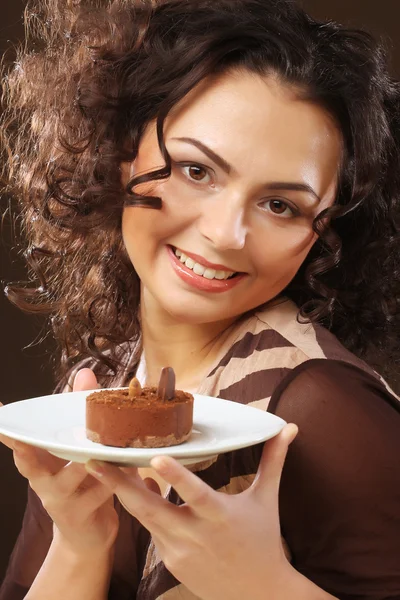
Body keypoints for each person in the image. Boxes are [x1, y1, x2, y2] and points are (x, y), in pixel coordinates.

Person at [0, 0, 399, 598]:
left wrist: (261, 584)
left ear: (326, 233)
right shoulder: (96, 387)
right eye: (196, 170)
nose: (225, 234)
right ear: (117, 152)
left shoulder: (320, 405)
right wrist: (81, 542)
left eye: (280, 205)